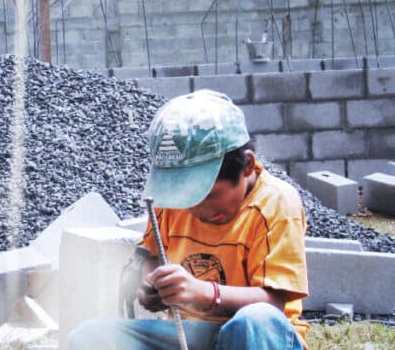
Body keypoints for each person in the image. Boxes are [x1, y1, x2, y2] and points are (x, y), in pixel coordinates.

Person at [69, 89, 309, 350]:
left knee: (254, 320)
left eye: (207, 195)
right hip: (190, 334)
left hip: (259, 338)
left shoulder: (276, 202)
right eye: (186, 198)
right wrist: (153, 286)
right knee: (90, 335)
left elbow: (274, 302)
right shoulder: (172, 199)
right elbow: (152, 258)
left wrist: (205, 293)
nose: (196, 209)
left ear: (248, 166)